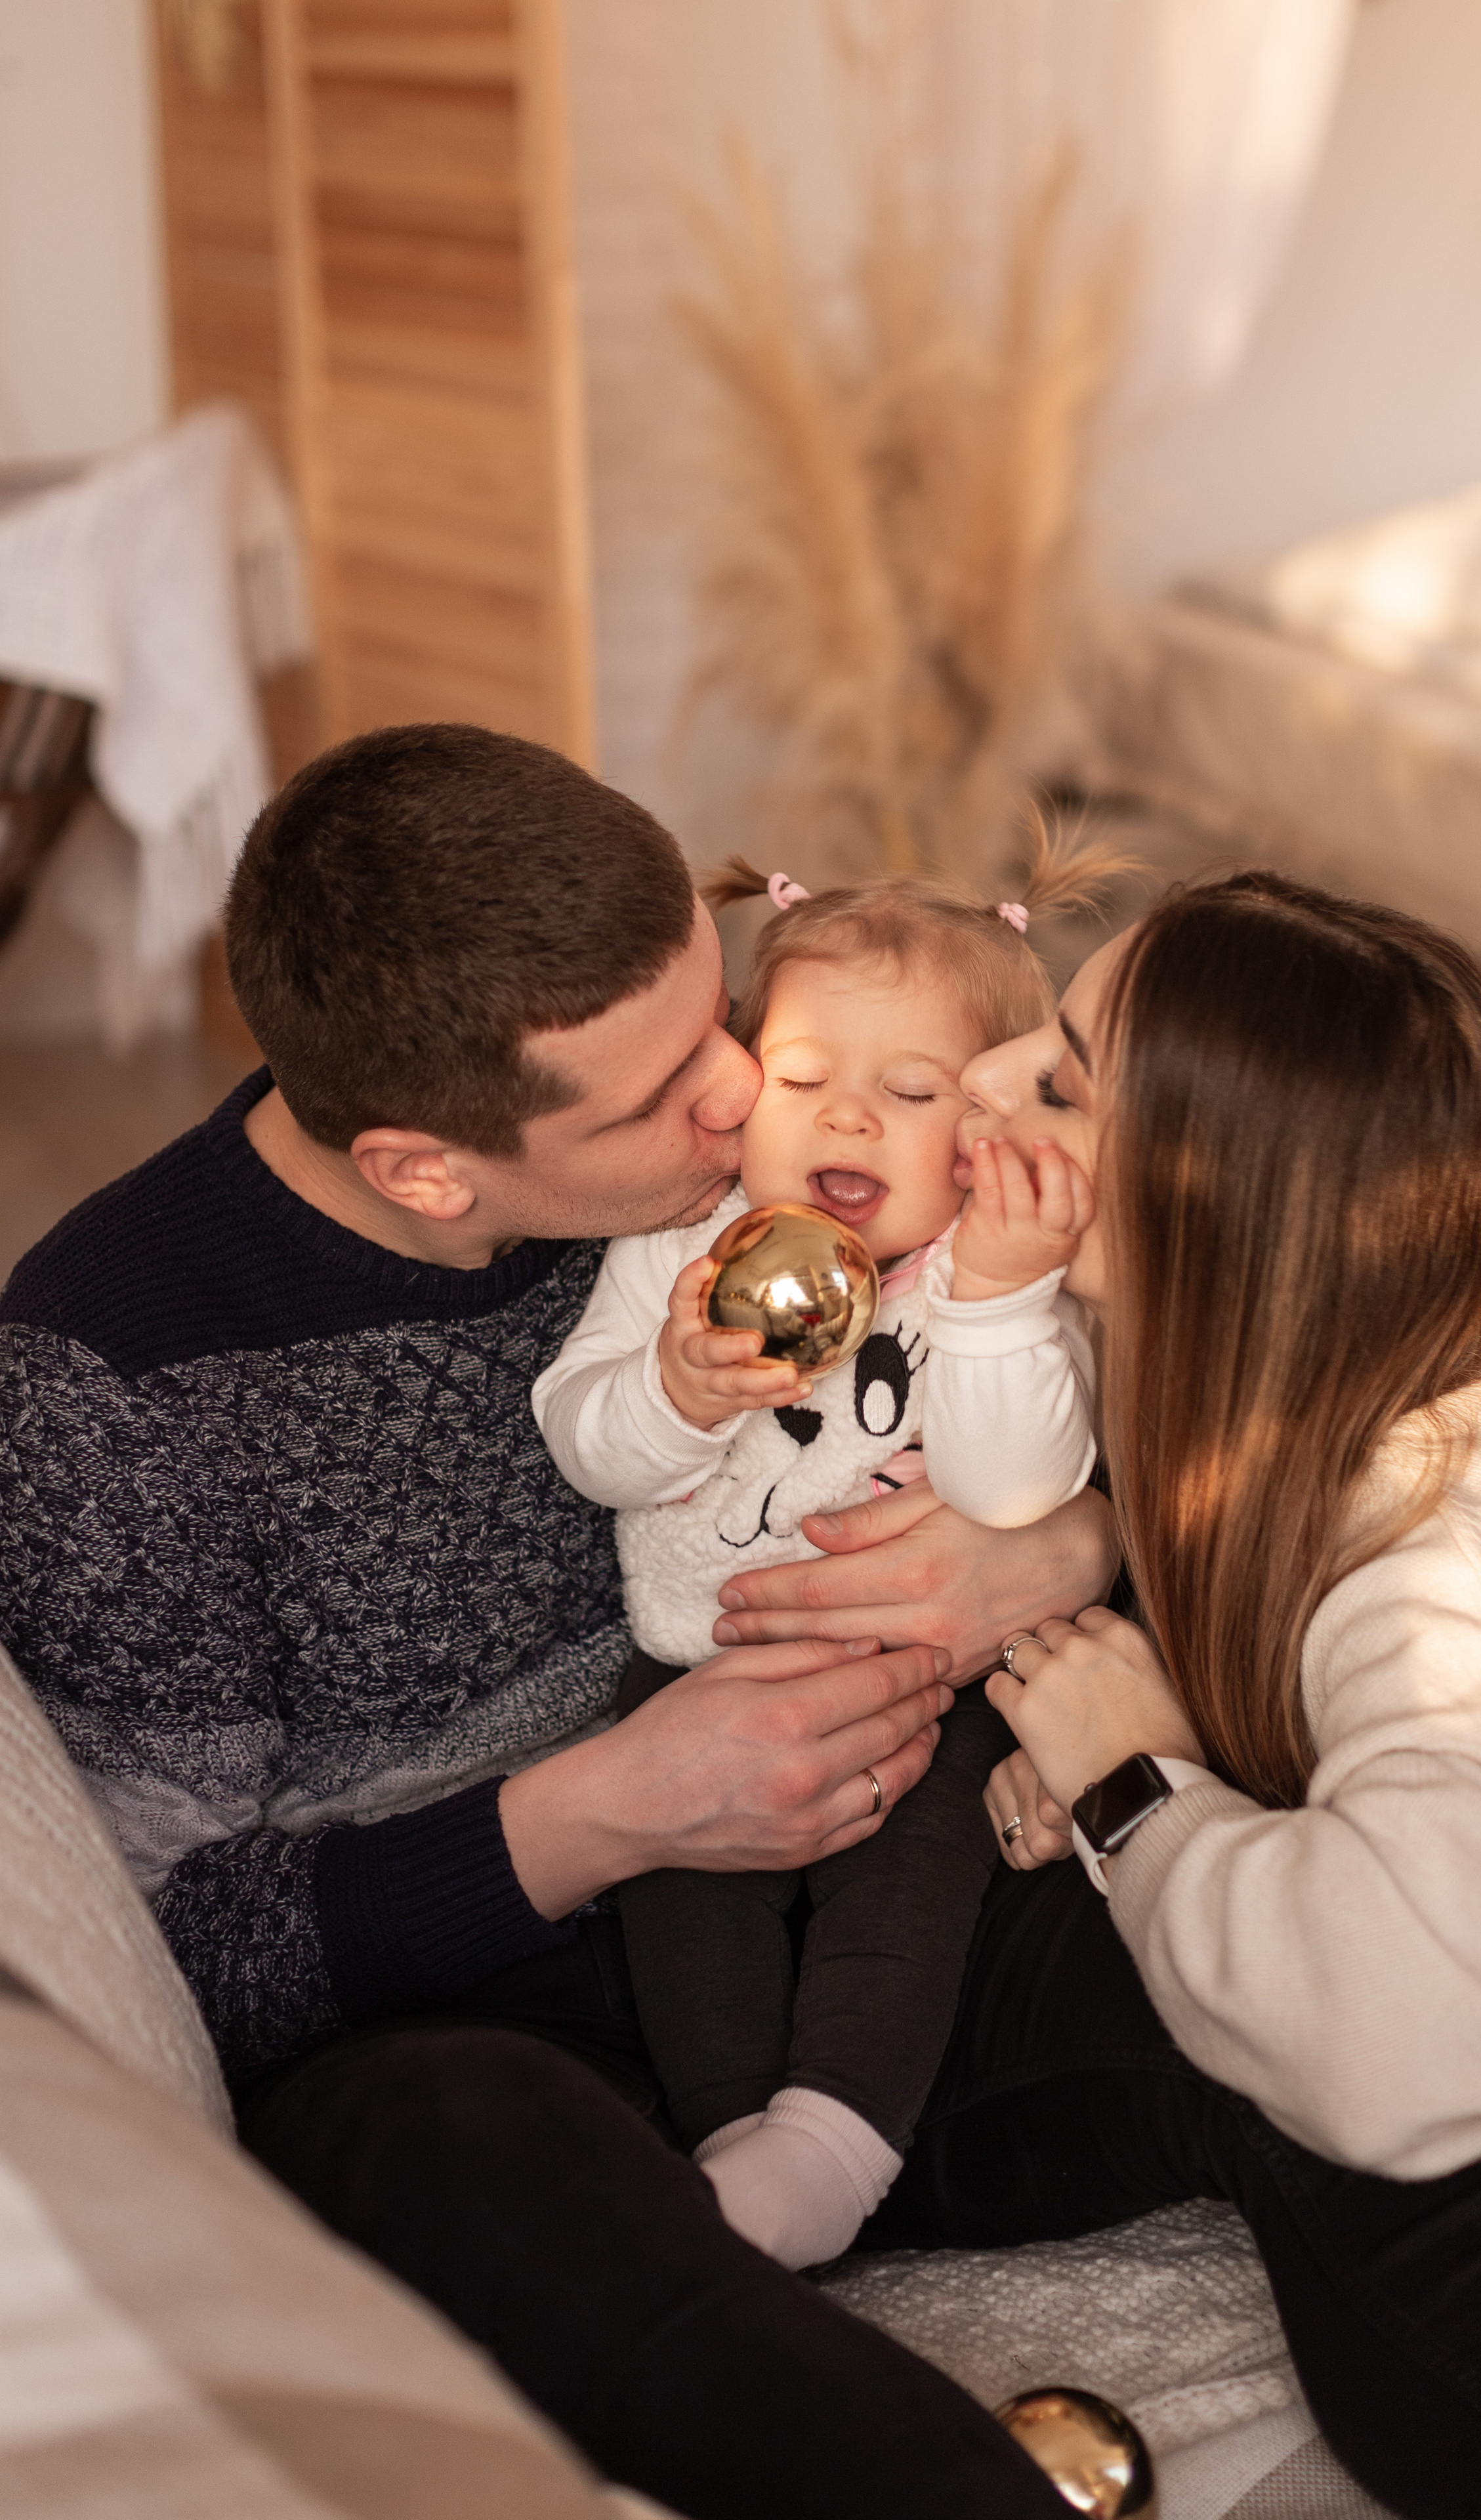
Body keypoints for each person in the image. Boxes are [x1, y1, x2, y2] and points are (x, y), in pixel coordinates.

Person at [0, 723, 1114, 2520]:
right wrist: (608, 1811)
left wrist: (1061, 1546)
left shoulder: (728, 1176)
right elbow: (160, 1958)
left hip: (872, 1880)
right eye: (667, 1089)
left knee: (1275, 2003)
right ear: (428, 1170)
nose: (749, 1095)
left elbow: (1021, 1363)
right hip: (476, 2035)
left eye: (718, 1016)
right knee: (466, 2160)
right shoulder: (112, 1391)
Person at [864, 865, 1481, 2519]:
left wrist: (1136, 1788)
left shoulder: (1440, 1575)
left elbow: (1400, 2045)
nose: (988, 1083)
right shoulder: (1370, 1353)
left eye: (1062, 1083)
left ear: (1209, 1201)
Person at [534, 848, 1110, 2269]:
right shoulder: (681, 1249)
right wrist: (672, 1390)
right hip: (699, 1665)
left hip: (925, 1684)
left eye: (910, 1093)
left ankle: (837, 2136)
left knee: (909, 1900)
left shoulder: (997, 1272)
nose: (847, 1113)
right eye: (800, 1078)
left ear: (980, 1129)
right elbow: (583, 1445)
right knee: (683, 1904)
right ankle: (737, 2143)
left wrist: (995, 1299)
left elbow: (1019, 1486)